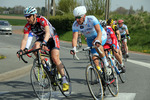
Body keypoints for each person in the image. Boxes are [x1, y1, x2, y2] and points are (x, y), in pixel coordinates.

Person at [16, 6, 69, 91]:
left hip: (52, 37)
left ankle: (64, 80)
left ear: (34, 15)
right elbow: (25, 39)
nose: (27, 18)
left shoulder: (42, 20)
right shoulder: (27, 26)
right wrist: (21, 50)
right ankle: (44, 65)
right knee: (35, 49)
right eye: (26, 16)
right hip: (41, 38)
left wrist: (44, 42)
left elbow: (47, 33)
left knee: (55, 58)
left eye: (29, 16)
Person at [70, 6, 112, 75]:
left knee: (96, 45)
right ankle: (100, 74)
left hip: (100, 35)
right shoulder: (75, 25)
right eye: (75, 18)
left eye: (78, 17)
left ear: (84, 16)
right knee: (94, 57)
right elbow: (75, 38)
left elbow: (99, 31)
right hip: (89, 39)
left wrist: (98, 40)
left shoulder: (92, 19)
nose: (77, 20)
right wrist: (74, 48)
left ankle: (106, 63)